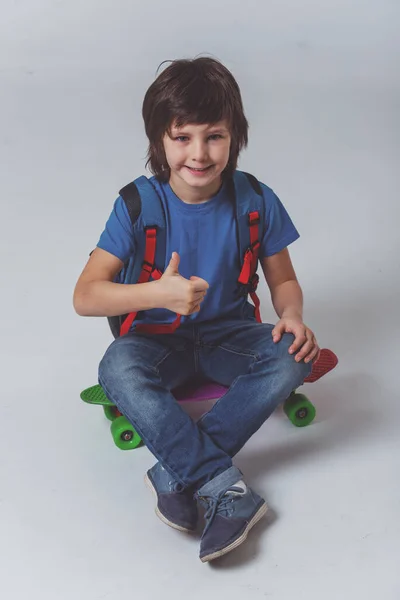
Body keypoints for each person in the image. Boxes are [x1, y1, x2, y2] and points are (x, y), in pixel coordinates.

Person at [73, 57, 319, 563]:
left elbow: (284, 280)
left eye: (215, 136)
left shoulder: (255, 199)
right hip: (157, 342)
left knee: (294, 356)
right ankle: (223, 485)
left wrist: (291, 315)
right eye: (182, 137)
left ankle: (177, 470)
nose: (200, 154)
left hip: (230, 336)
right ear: (159, 140)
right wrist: (156, 294)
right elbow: (86, 295)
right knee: (117, 367)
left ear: (235, 138)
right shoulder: (138, 204)